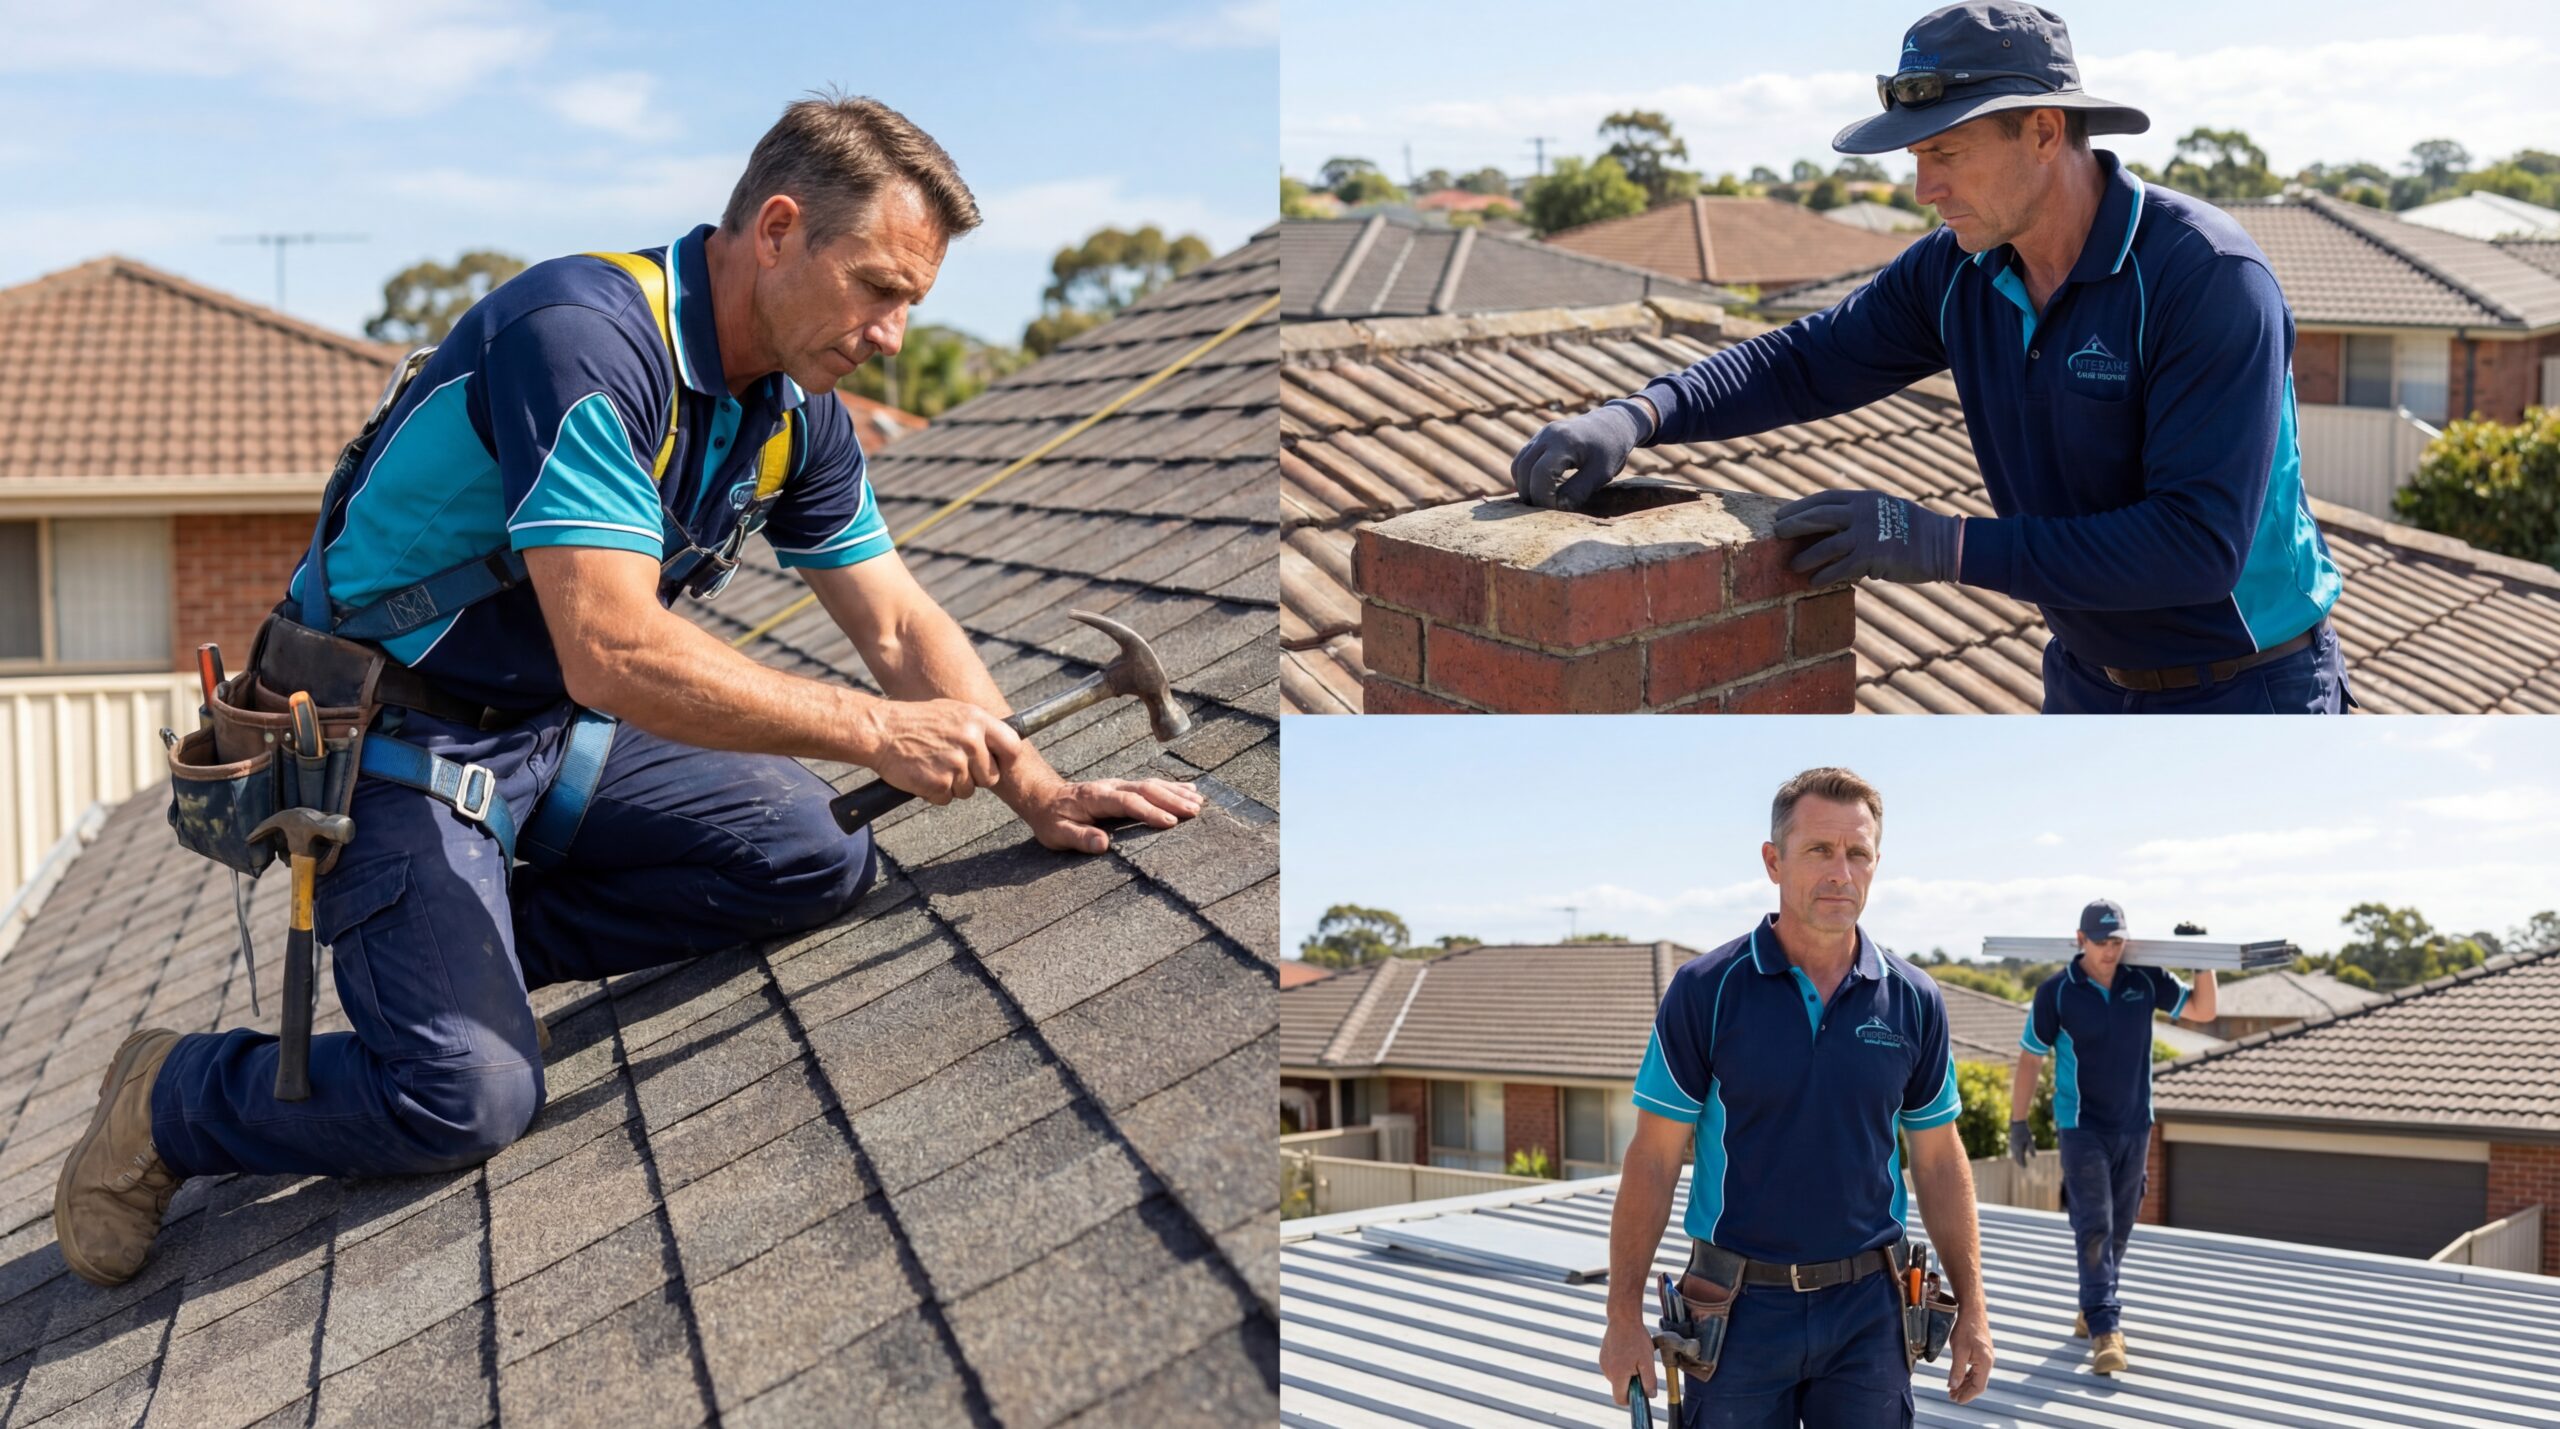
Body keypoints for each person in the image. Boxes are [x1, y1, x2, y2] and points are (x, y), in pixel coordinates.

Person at [55, 93, 1201, 1290]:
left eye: (911, 301)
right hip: (392, 746)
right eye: (876, 287)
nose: (892, 334)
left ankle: (458, 956)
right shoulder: (582, 338)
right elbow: (612, 648)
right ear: (777, 229)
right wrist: (875, 729)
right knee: (465, 1095)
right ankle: (178, 1094)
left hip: (549, 736)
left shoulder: (794, 413)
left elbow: (898, 620)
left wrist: (1034, 781)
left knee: (817, 852)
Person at [1511, 1, 2350, 714]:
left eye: (1945, 152)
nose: (1925, 189)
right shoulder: (1956, 269)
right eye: (1917, 158)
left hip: (2252, 685)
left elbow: (2196, 547)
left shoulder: (2204, 278)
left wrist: (1943, 544)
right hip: (2085, 679)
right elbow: (1807, 360)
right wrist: (1640, 415)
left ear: (2044, 131)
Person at [1605, 767, 1993, 1425]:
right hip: (1735, 1311)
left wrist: (1974, 1311)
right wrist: (1622, 1318)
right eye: (1819, 849)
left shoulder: (1914, 999)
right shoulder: (1705, 990)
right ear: (1773, 861)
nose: (1841, 871)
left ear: (1875, 864)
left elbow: (1938, 1160)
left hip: (1871, 1313)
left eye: (1858, 852)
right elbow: (1652, 1159)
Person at [2009, 899, 2219, 1374]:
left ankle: (2092, 1304)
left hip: (2135, 1123)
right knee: (2095, 1224)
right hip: (2081, 1126)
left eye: (2117, 941)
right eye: (2101, 941)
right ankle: (2106, 1328)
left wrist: (2202, 956)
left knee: (2121, 1223)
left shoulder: (2143, 980)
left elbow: (2204, 1009)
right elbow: (2030, 1057)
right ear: (2081, 939)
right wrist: (2018, 1122)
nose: (2110, 950)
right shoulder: (2057, 992)